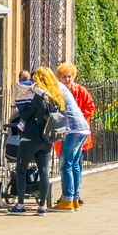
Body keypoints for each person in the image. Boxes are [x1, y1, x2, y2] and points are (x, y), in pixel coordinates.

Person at [7, 73, 62, 214]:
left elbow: (25, 115)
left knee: (21, 169)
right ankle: (42, 206)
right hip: (46, 139)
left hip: (30, 138)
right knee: (43, 169)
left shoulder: (36, 97)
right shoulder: (53, 98)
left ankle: (20, 205)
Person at [46, 66, 91, 210]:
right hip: (81, 129)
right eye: (64, 76)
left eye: (69, 76)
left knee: (65, 165)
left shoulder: (56, 88)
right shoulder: (63, 88)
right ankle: (75, 198)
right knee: (74, 165)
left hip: (72, 130)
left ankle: (67, 199)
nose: (67, 79)